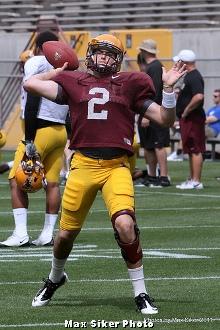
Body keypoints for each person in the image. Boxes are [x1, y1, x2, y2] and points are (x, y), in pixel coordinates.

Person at [24, 34, 186, 314]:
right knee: (64, 237)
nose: (103, 58)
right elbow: (30, 83)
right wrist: (59, 70)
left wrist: (169, 91)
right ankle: (55, 278)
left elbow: (165, 120)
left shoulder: (132, 83)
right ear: (90, 55)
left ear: (119, 60)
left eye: (110, 54)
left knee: (125, 225)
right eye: (99, 52)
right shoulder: (74, 81)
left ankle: (141, 292)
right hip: (83, 166)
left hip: (117, 166)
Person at [0, 31, 69, 247]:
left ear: (39, 47)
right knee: (53, 183)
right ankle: (48, 233)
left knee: (15, 179)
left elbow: (32, 96)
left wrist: (29, 137)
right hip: (60, 131)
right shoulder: (65, 66)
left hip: (40, 129)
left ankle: (21, 234)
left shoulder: (37, 61)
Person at [137, 39, 171, 187]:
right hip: (151, 111)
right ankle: (152, 176)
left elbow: (154, 92)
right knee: (149, 146)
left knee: (158, 145)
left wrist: (146, 114)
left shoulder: (155, 67)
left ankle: (163, 176)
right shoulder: (153, 67)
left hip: (154, 112)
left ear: (144, 52)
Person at [173, 49, 206, 190]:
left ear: (185, 63)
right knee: (191, 149)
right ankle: (192, 178)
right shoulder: (189, 76)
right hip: (188, 118)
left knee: (195, 149)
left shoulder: (194, 76)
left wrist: (186, 111)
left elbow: (199, 96)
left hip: (193, 118)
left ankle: (196, 181)